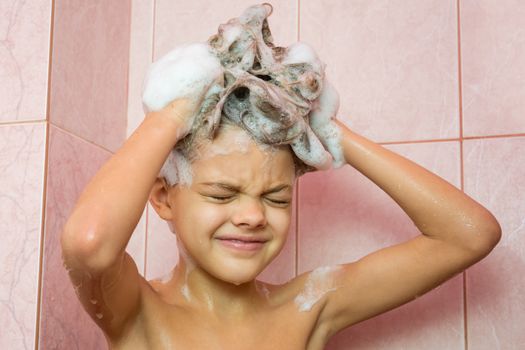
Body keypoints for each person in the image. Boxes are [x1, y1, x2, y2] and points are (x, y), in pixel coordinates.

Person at [61, 92, 501, 349]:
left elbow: (469, 234)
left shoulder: (308, 307)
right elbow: (88, 243)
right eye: (222, 194)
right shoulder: (140, 312)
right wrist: (173, 113)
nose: (253, 216)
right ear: (162, 198)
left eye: (276, 198)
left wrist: (332, 132)